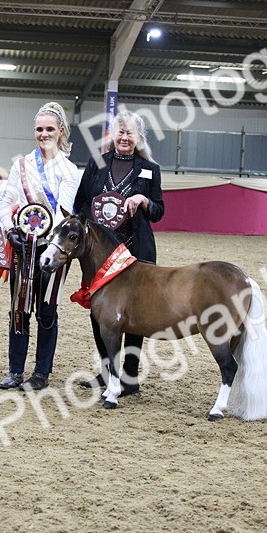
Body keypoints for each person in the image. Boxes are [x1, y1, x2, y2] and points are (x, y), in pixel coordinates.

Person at [73, 109, 165, 396]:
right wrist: (96, 226)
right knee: (100, 311)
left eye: (130, 133)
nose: (125, 138)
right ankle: (107, 372)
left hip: (136, 251)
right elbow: (81, 204)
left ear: (138, 138)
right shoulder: (96, 164)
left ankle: (130, 376)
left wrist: (144, 200)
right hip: (100, 255)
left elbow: (159, 211)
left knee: (137, 313)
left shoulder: (150, 168)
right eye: (120, 132)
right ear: (112, 135)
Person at [0, 101, 81, 391]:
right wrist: (11, 231)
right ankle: (14, 370)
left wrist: (48, 244)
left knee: (47, 310)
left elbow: (65, 212)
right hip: (23, 247)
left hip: (53, 251)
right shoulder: (21, 165)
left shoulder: (70, 170)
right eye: (38, 129)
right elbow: (7, 201)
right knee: (19, 308)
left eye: (49, 129)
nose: (43, 134)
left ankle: (41, 374)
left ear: (60, 131)